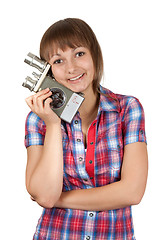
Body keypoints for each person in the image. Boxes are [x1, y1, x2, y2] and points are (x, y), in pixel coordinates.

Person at [24, 18, 148, 240]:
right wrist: (53, 124)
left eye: (79, 53)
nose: (72, 68)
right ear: (48, 71)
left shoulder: (127, 109)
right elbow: (43, 193)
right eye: (58, 60)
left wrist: (58, 199)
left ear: (95, 55)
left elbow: (133, 192)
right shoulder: (39, 120)